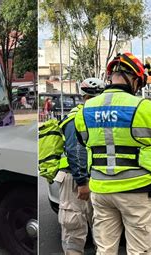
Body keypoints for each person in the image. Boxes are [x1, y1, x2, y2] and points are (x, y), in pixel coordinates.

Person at [74, 52, 151, 254]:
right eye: (139, 83)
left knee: (105, 249)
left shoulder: (86, 109)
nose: (139, 88)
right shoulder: (145, 108)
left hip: (101, 190)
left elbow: (82, 141)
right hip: (137, 189)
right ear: (134, 78)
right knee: (139, 250)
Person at [54, 78, 104, 255]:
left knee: (82, 229)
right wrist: (83, 181)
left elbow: (78, 149)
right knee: (85, 229)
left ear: (83, 95)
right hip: (80, 179)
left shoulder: (79, 115)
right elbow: (76, 151)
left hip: (83, 179)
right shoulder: (87, 116)